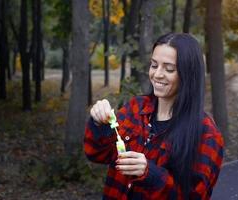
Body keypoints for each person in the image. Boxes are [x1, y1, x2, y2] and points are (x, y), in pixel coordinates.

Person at [84, 33, 224, 199]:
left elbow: (195, 195)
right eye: (154, 65)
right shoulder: (136, 108)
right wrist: (99, 124)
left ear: (188, 74)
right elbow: (97, 154)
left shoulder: (207, 135)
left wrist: (150, 175)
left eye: (169, 69)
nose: (157, 74)